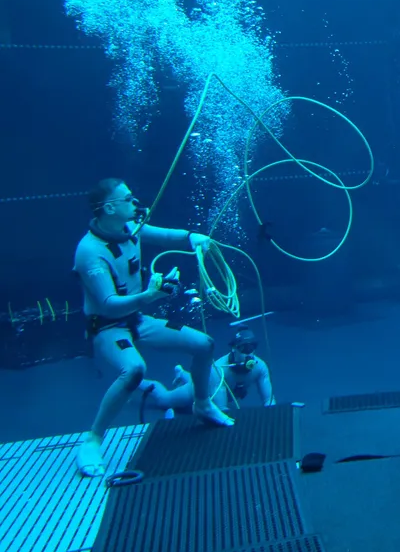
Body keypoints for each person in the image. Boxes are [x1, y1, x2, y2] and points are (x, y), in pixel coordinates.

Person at [72, 178, 235, 478]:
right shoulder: (90, 251)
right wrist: (150, 295)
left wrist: (192, 238)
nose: (136, 203)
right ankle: (93, 439)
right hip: (108, 328)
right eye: (129, 199)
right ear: (109, 207)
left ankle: (202, 404)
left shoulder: (130, 230)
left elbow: (166, 236)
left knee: (204, 344)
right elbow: (108, 304)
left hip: (137, 321)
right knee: (134, 369)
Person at [139, 325, 276, 415]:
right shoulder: (219, 370)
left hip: (211, 382)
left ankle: (182, 374)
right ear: (233, 348)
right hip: (200, 389)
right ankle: (139, 381)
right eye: (244, 348)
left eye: (252, 348)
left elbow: (269, 401)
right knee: (164, 400)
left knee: (197, 378)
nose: (249, 353)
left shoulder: (260, 367)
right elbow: (222, 410)